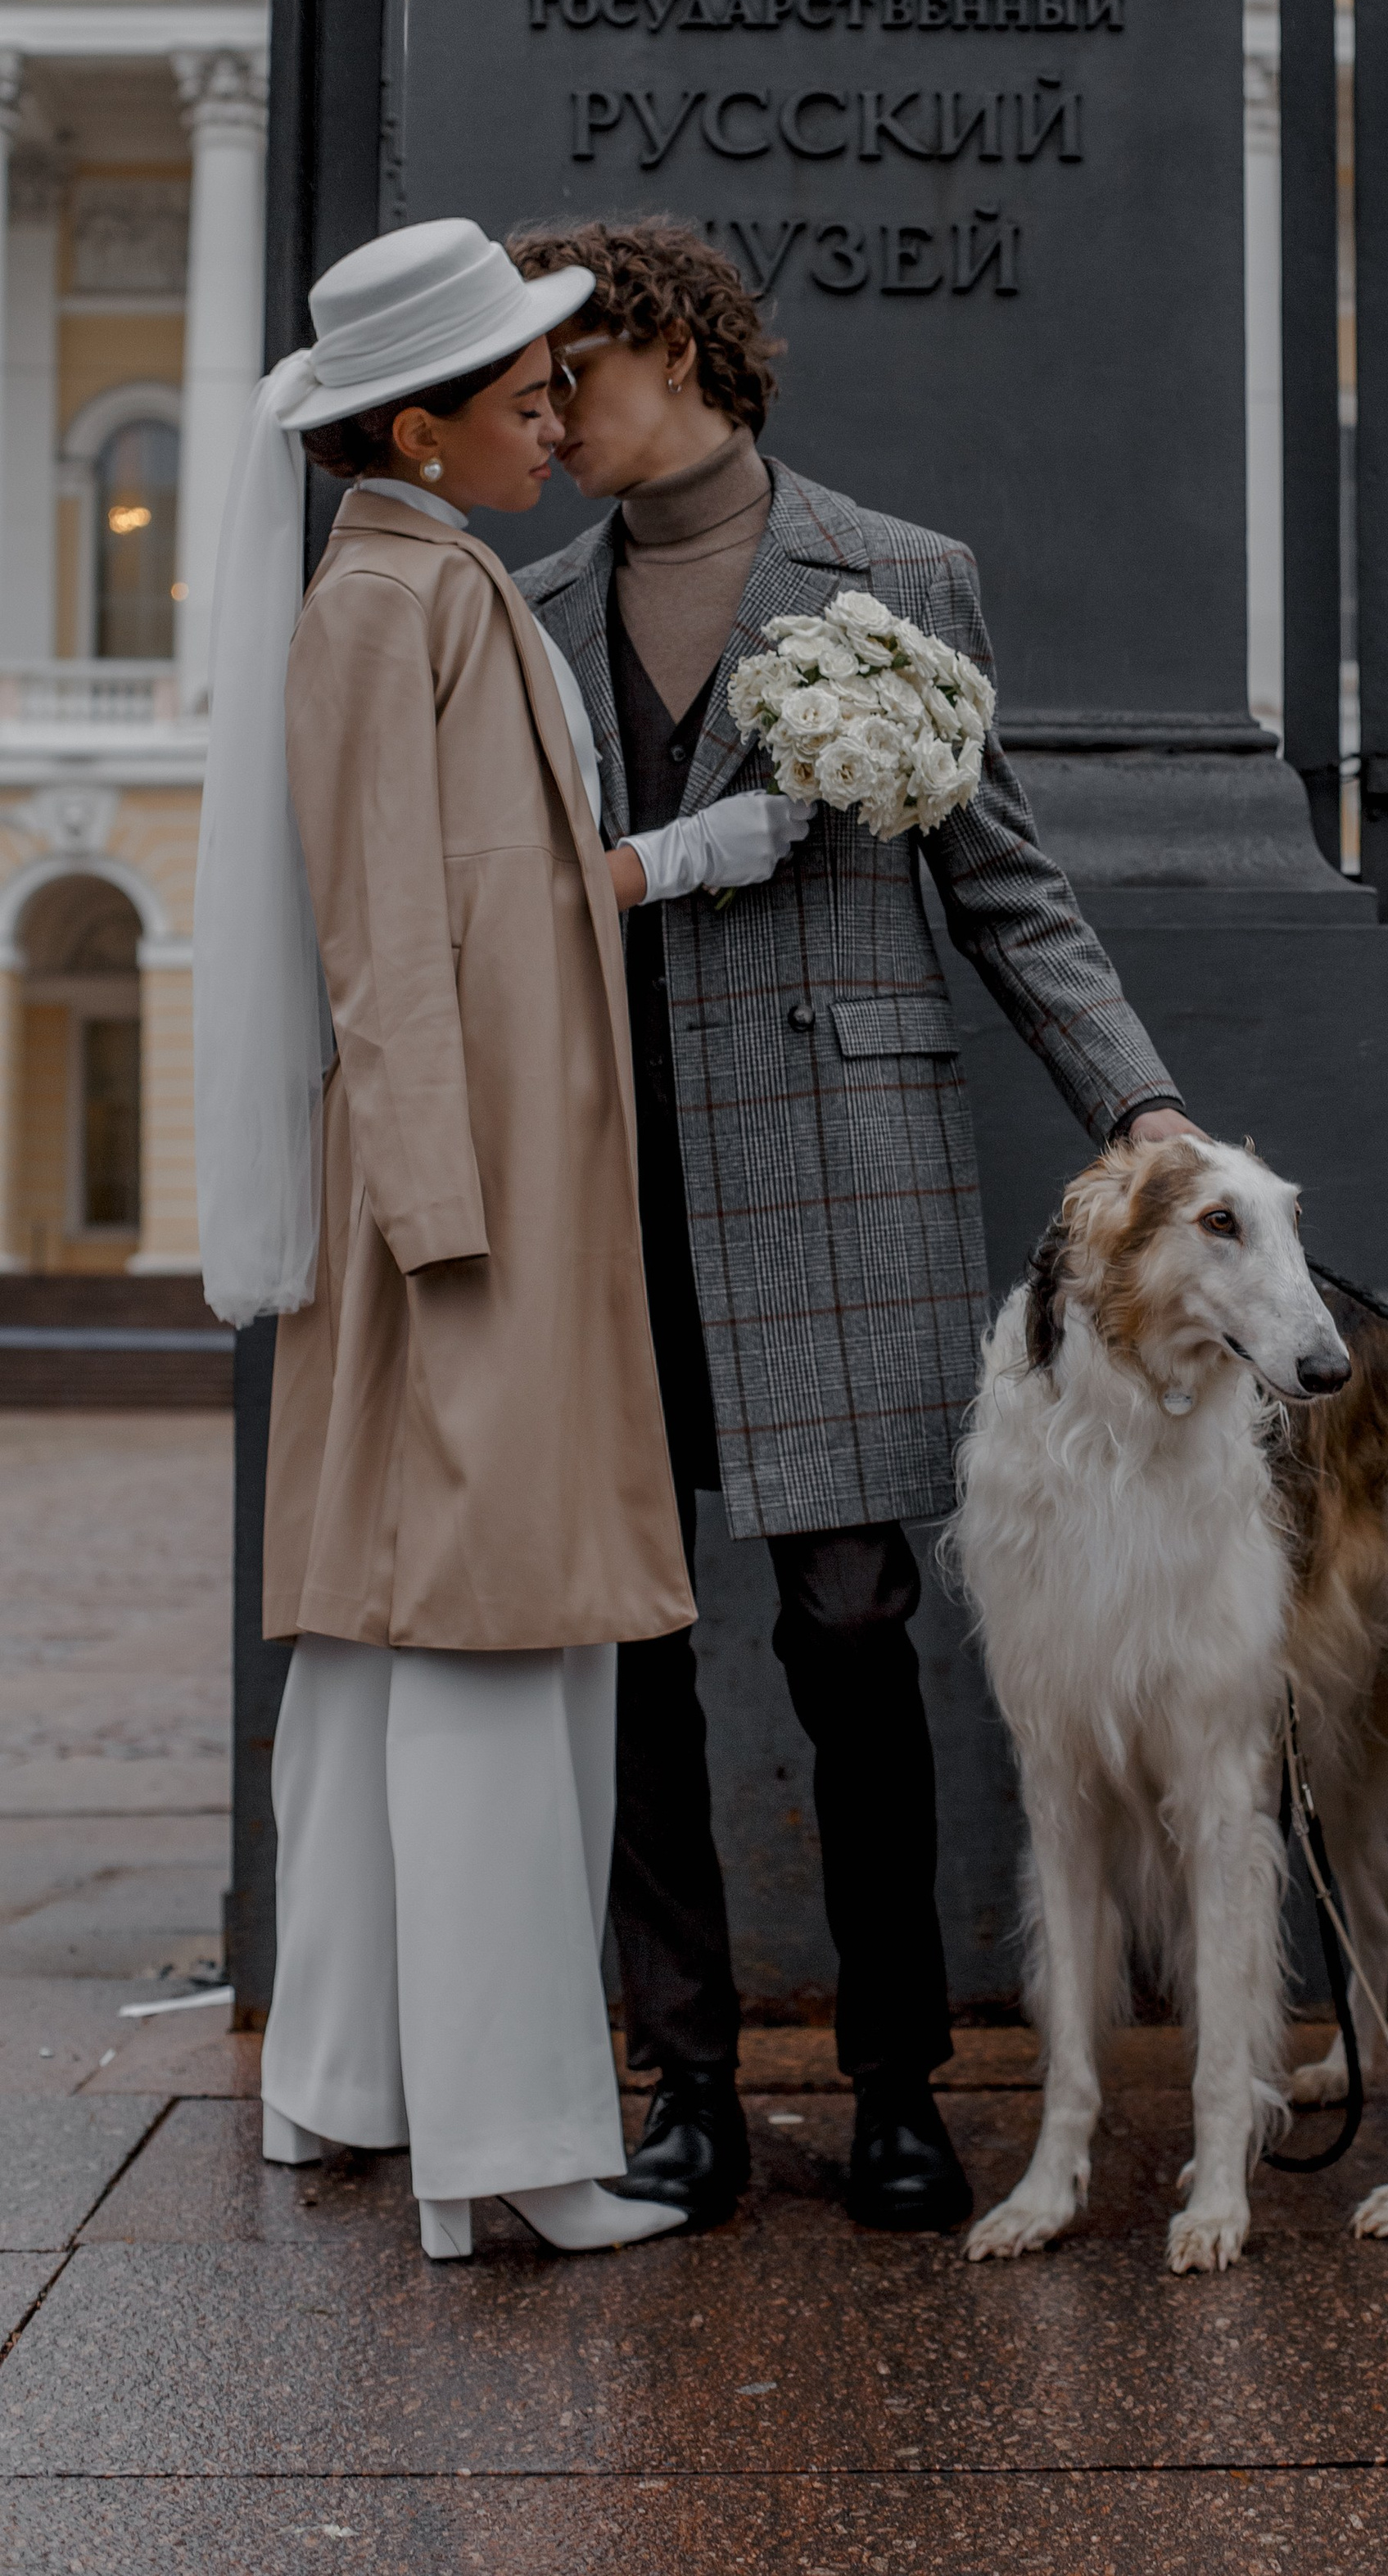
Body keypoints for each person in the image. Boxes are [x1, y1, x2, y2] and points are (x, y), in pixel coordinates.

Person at [507, 213, 1197, 2236]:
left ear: (681, 355)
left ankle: (899, 2086)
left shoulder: (898, 580)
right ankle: (687, 2092)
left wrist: (1135, 1102)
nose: (548, 420)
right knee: (629, 1641)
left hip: (840, 1164)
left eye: (578, 376)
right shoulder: (523, 619)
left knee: (851, 1629)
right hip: (604, 1174)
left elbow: (1005, 888)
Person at [193, 218, 809, 2262]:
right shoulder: (399, 604)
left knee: (389, 1640)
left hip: (462, 1183)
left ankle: (351, 2083)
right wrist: (448, 1212)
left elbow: (498, 890)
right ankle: (514, 2144)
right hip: (474, 1200)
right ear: (420, 427)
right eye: (522, 393)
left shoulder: (415, 581)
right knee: (495, 1646)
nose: (558, 415)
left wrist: (689, 852)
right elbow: (385, 921)